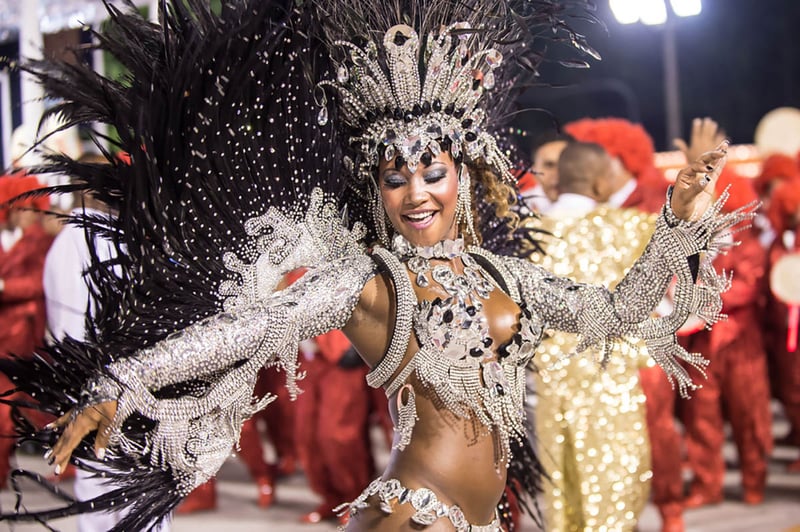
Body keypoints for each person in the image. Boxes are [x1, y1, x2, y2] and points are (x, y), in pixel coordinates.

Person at [0, 1, 751, 530]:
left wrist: (676, 223)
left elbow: (616, 315)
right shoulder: (365, 280)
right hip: (414, 516)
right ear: (375, 187)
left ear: (466, 167)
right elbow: (254, 326)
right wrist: (125, 382)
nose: (416, 193)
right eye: (395, 177)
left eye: (432, 172)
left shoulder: (506, 276)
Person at [529, 142, 653, 531]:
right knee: (614, 496)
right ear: (600, 183)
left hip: (549, 390)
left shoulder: (525, 235)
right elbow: (697, 236)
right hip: (610, 388)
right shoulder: (625, 227)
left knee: (561, 494)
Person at [677, 169, 772, 507]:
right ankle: (707, 486)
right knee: (701, 419)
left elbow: (748, 287)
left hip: (739, 343)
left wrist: (705, 296)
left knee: (749, 416)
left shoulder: (748, 243)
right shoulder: (687, 245)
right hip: (699, 344)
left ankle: (754, 480)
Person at [0, 174, 53, 487]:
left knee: (12, 406)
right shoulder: (13, 240)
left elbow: (37, 283)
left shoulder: (39, 241)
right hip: (8, 332)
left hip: (22, 334)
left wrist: (5, 286)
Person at [518, 131, 574, 214]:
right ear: (534, 171)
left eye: (564, 165)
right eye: (549, 165)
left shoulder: (595, 209)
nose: (557, 174)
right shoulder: (514, 212)